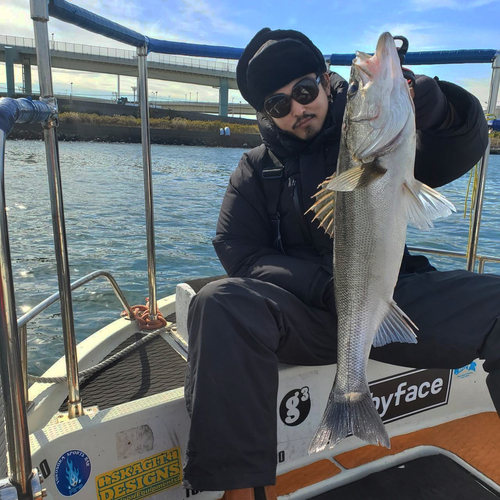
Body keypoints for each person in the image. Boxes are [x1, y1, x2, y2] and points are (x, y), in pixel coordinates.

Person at [183, 27, 496, 499]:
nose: (298, 108)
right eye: (278, 104)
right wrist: (322, 286)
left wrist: (437, 106)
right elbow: (238, 251)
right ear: (265, 113)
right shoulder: (252, 169)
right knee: (218, 302)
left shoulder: (378, 139)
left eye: (305, 91)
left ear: (327, 82)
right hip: (306, 315)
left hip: (392, 299)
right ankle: (238, 492)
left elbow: (459, 148)